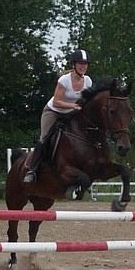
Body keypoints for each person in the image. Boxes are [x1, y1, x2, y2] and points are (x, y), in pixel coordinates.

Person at [23, 49, 92, 183]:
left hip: (72, 113)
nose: (83, 67)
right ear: (74, 65)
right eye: (80, 64)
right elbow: (57, 102)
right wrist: (73, 106)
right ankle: (32, 170)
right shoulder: (64, 80)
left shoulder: (88, 81)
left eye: (85, 64)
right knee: (44, 138)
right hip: (53, 111)